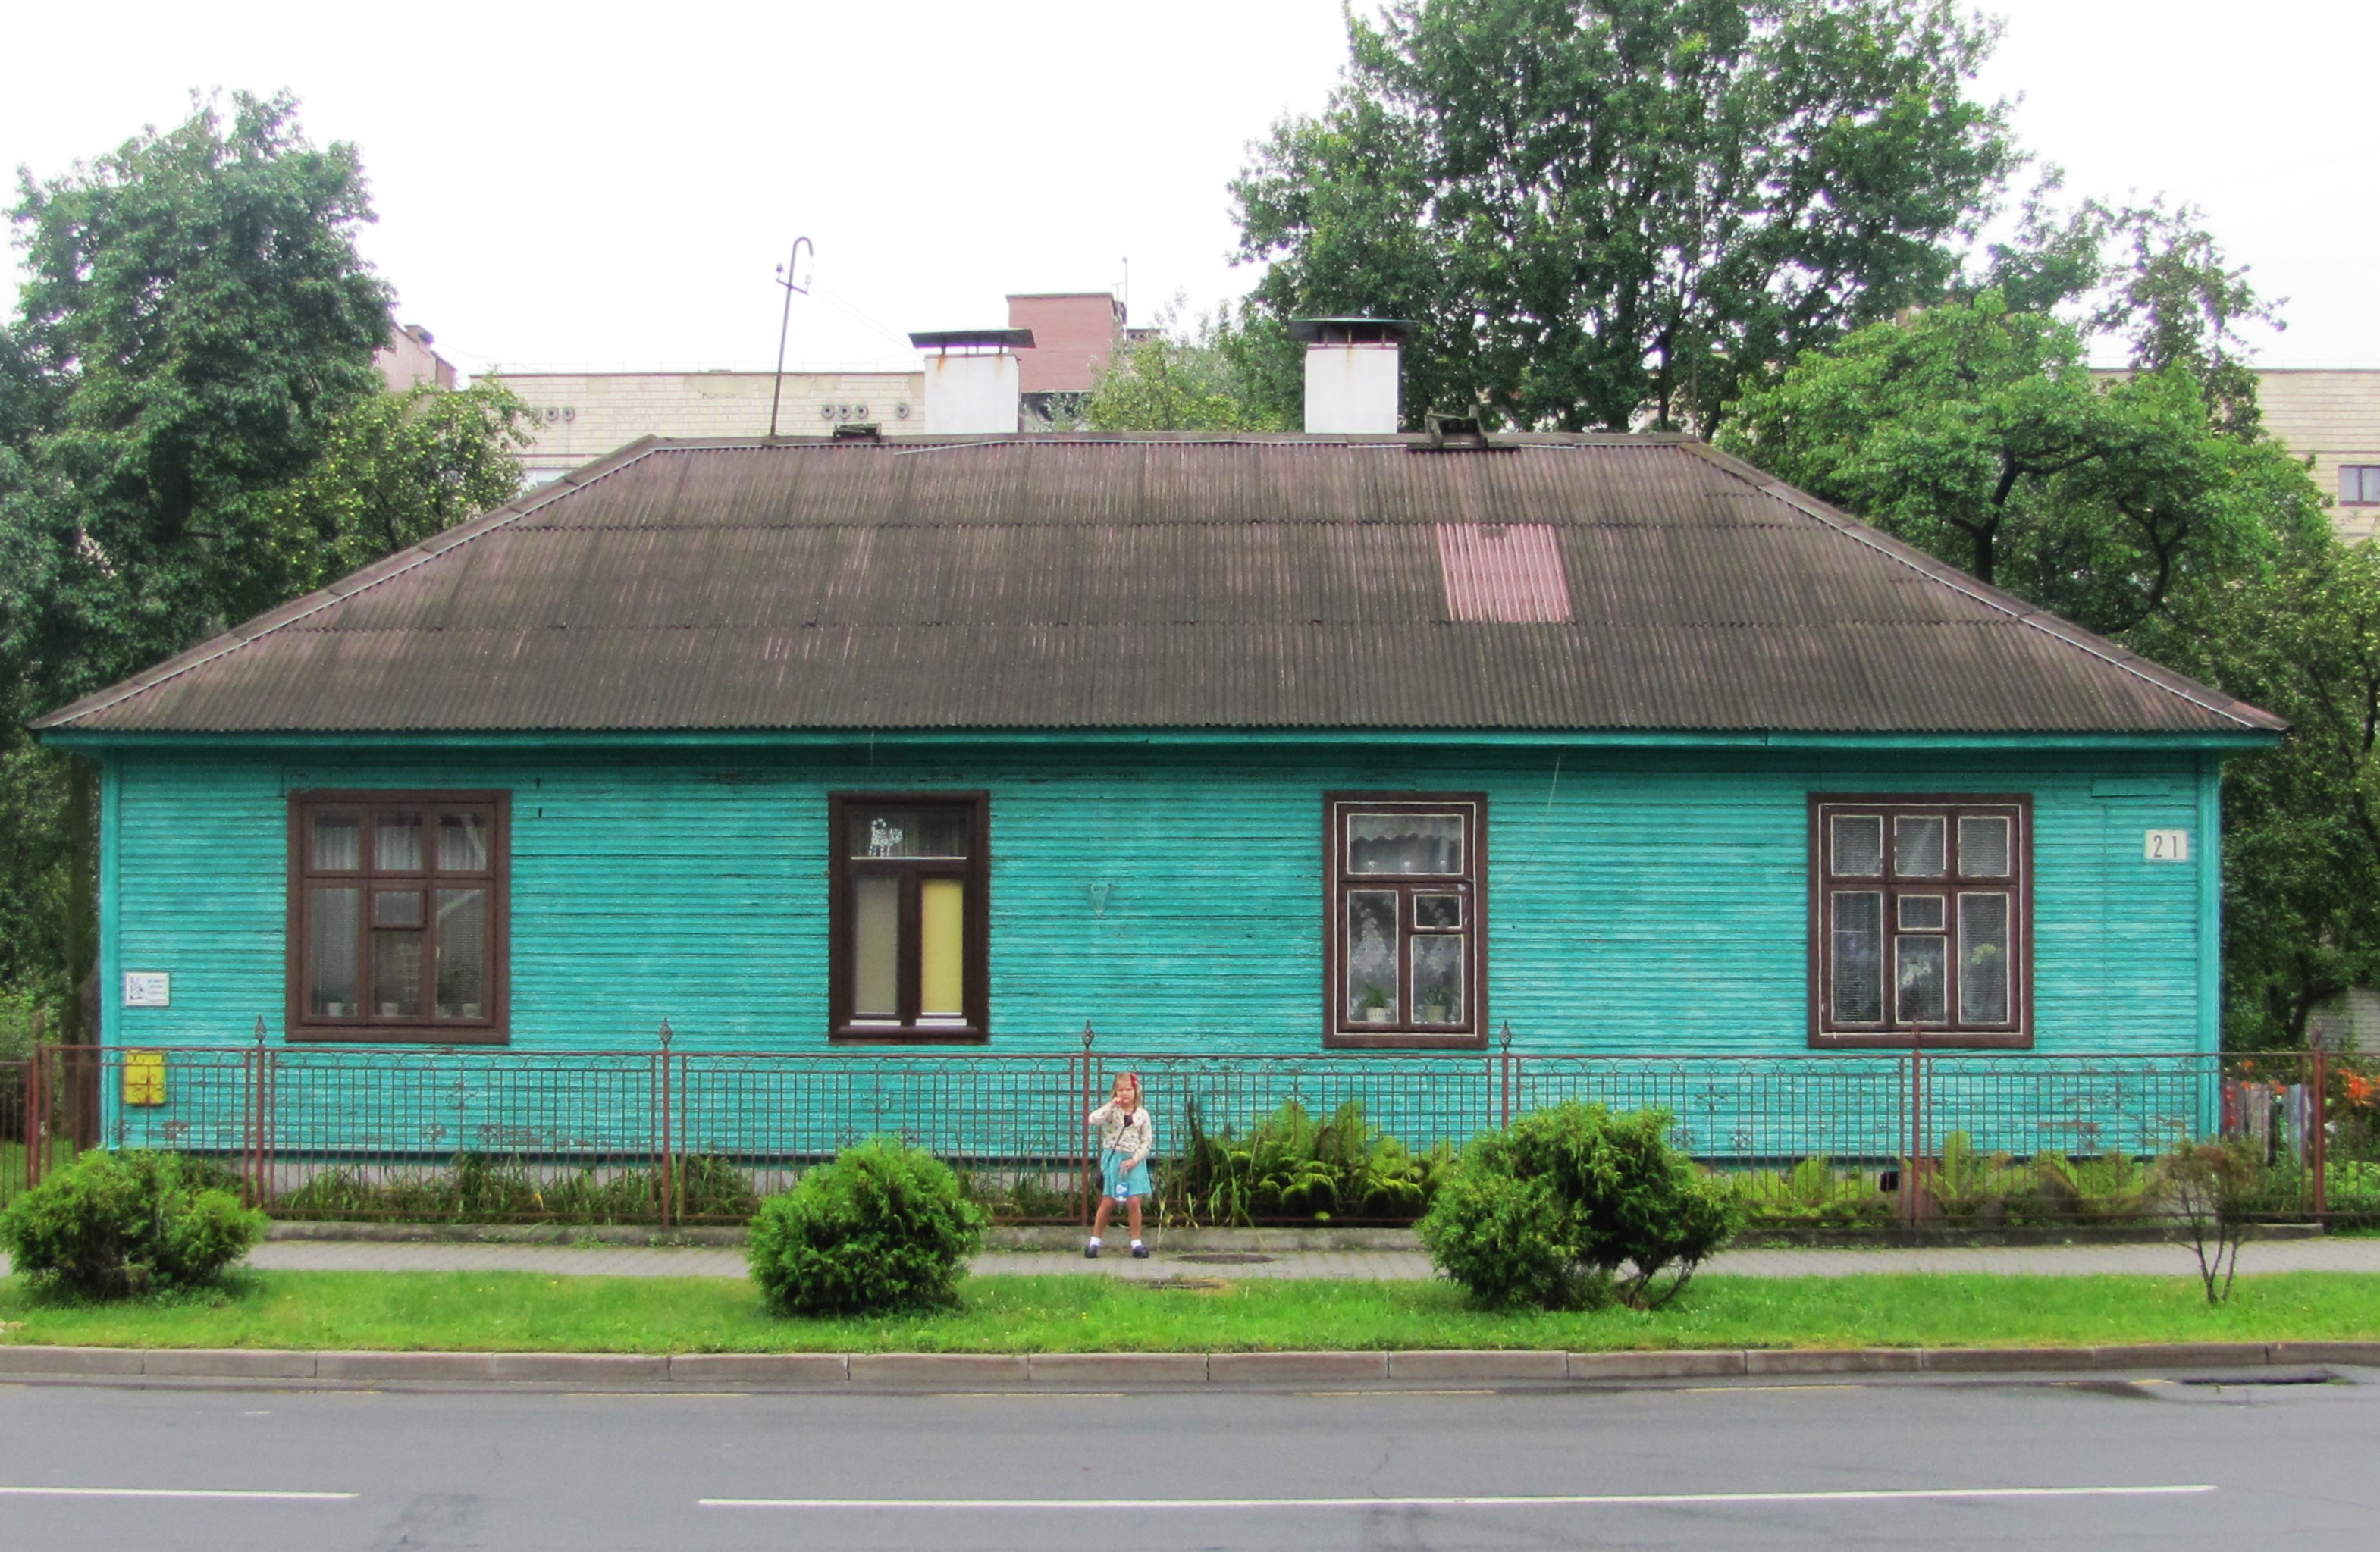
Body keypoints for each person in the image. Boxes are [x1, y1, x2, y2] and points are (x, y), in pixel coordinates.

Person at [1086, 1072, 1152, 1259]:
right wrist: (1111, 1105)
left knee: (1133, 1201)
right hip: (1113, 1159)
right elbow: (1093, 1120)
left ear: (1136, 1091)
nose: (1125, 1094)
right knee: (1108, 1201)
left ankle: (1136, 1243)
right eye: (1121, 1090)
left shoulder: (1142, 1115)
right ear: (1115, 1091)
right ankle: (1094, 1242)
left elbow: (1146, 1141)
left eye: (1128, 1090)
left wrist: (1135, 1160)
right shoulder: (1112, 1111)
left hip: (1134, 1161)